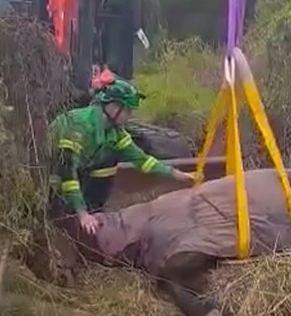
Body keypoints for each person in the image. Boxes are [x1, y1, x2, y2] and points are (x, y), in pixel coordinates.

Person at [47, 76, 193, 236]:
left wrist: (177, 174)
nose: (129, 115)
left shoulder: (115, 133)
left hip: (80, 170)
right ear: (113, 106)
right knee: (60, 192)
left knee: (108, 161)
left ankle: (94, 211)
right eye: (127, 110)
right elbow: (67, 171)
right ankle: (63, 219)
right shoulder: (77, 125)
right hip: (51, 173)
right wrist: (81, 214)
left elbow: (142, 160)